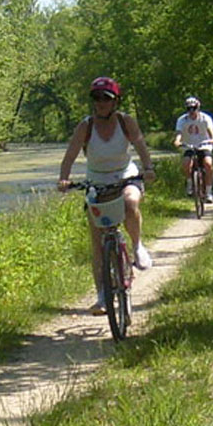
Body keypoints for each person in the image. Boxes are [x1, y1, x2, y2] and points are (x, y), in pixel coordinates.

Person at [58, 77, 157, 315]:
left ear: (115, 102)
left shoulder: (126, 122)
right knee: (98, 241)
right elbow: (70, 154)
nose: (101, 103)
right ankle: (102, 296)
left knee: (131, 201)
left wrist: (149, 168)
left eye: (106, 98)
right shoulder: (86, 126)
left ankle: (137, 246)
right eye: (97, 98)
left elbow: (141, 146)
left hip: (126, 176)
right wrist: (63, 178)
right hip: (97, 181)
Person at [173, 96, 213, 203]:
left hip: (204, 145)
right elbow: (179, 134)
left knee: (208, 164)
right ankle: (189, 183)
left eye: (194, 108)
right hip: (189, 145)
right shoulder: (182, 120)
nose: (192, 111)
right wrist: (177, 141)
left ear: (198, 107)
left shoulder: (205, 118)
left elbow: (211, 133)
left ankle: (208, 192)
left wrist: (212, 139)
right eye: (189, 109)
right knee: (186, 163)